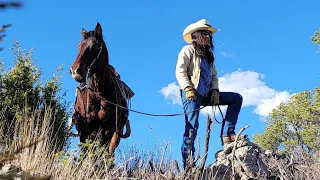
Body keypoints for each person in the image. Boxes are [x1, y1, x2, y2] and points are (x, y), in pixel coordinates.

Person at [175, 19, 243, 168]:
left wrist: (215, 91)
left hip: (207, 95)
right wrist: (187, 88)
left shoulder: (209, 55)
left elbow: (213, 76)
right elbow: (180, 71)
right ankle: (189, 164)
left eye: (209, 34)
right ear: (196, 35)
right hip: (192, 94)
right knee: (192, 127)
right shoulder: (187, 50)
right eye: (205, 33)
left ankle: (227, 134)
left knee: (236, 99)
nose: (208, 37)